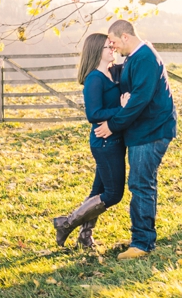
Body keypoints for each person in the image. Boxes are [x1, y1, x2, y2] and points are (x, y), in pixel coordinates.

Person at [95, 19, 177, 259]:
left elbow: (139, 100)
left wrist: (113, 124)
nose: (113, 47)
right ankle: (142, 237)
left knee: (141, 183)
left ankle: (142, 244)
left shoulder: (144, 59)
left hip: (152, 130)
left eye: (114, 41)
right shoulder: (135, 57)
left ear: (126, 37)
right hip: (144, 130)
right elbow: (127, 79)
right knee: (140, 182)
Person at [52, 33, 127, 248]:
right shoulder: (95, 78)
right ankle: (66, 224)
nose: (112, 49)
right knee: (113, 194)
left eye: (112, 46)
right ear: (96, 52)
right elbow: (93, 114)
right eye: (107, 47)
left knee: (97, 192)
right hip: (105, 143)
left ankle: (85, 236)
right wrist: (120, 108)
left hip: (115, 141)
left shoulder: (113, 72)